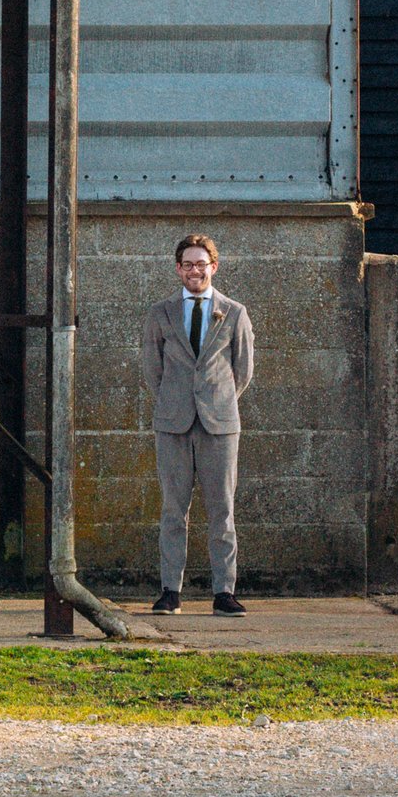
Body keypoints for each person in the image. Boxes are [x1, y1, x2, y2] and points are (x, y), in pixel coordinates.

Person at [139, 234, 254, 616]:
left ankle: (224, 592)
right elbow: (151, 368)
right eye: (187, 264)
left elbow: (243, 370)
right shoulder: (161, 313)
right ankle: (171, 591)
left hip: (219, 425)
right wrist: (174, 400)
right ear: (178, 269)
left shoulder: (234, 312)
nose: (195, 270)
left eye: (201, 264)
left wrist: (216, 401)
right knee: (174, 510)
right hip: (172, 424)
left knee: (222, 511)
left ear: (214, 267)